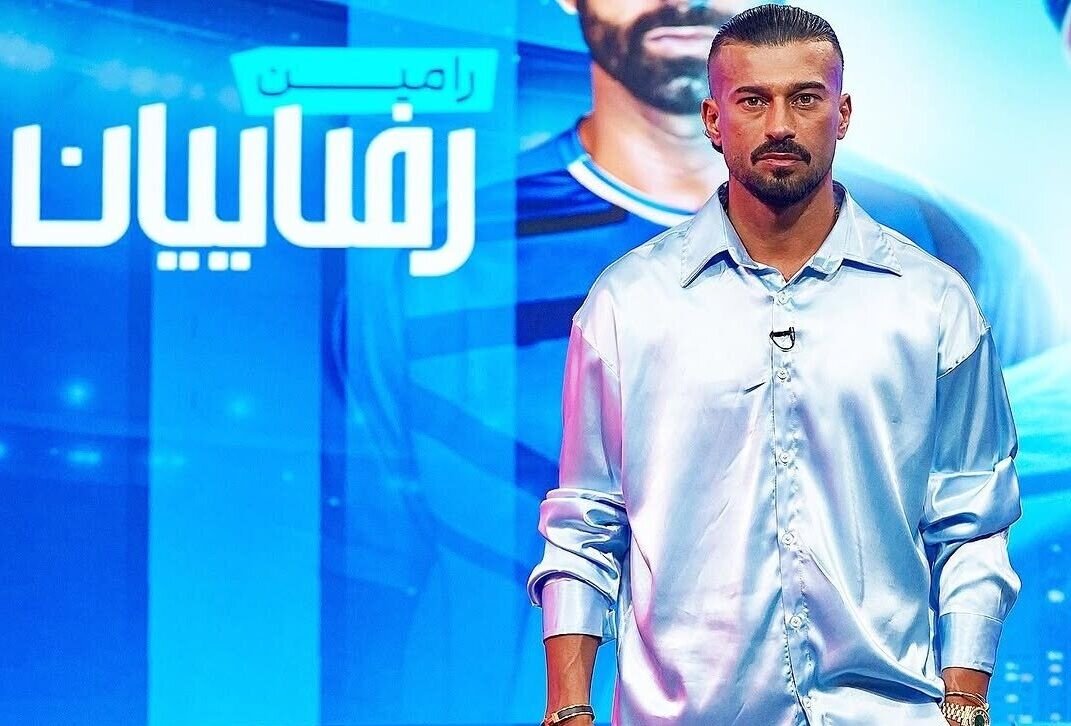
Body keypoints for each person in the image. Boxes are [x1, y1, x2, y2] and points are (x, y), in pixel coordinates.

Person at [527, 6, 1022, 725]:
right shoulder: (629, 304)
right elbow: (585, 523)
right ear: (713, 119)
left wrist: (966, 706)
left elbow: (972, 522)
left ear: (842, 114)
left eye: (805, 98)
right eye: (753, 100)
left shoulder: (932, 301)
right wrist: (568, 710)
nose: (780, 125)